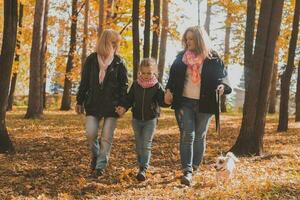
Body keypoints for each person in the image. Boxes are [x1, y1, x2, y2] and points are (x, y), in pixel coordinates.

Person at [164, 26, 232, 186]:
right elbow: (172, 77)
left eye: (191, 39)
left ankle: (194, 167)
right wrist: (168, 90)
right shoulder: (181, 57)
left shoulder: (213, 58)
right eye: (186, 39)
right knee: (188, 134)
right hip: (184, 102)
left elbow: (224, 77)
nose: (188, 42)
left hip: (206, 103)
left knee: (200, 135)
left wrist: (222, 86)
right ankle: (187, 171)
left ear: (200, 39)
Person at [76, 29, 128, 178]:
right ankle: (96, 155)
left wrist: (123, 105)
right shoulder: (92, 59)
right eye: (113, 43)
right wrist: (79, 101)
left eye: (117, 44)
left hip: (112, 106)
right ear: (105, 42)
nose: (116, 46)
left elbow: (124, 85)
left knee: (106, 137)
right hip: (93, 104)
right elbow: (84, 82)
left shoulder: (119, 62)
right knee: (91, 133)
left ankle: (100, 167)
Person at [116, 58, 167, 181]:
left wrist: (168, 99)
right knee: (139, 145)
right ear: (140, 72)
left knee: (146, 144)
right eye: (143, 73)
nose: (145, 76)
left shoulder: (157, 86)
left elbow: (162, 102)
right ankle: (141, 164)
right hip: (137, 119)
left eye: (149, 73)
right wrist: (123, 108)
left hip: (150, 120)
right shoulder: (136, 85)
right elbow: (129, 99)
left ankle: (143, 169)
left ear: (154, 72)